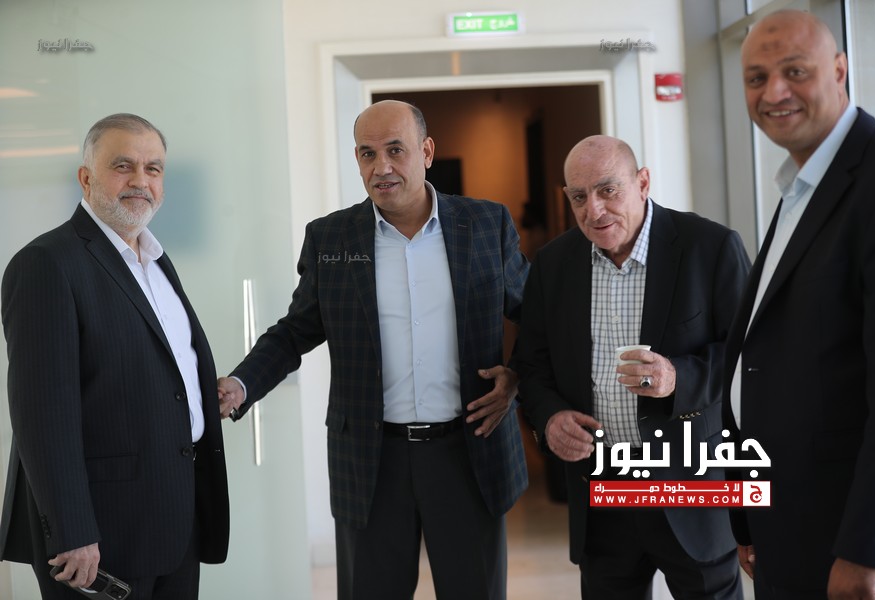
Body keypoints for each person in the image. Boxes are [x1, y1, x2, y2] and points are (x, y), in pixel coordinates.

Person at [218, 100, 529, 600]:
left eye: (395, 150)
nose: (381, 166)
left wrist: (516, 377)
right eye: (367, 153)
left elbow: (536, 316)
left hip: (469, 451)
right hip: (371, 459)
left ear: (427, 152)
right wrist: (241, 383)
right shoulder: (331, 237)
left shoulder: (485, 225)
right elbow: (295, 331)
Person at [0, 113, 229, 599]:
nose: (141, 180)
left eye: (153, 168)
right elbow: (41, 414)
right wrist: (72, 530)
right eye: (123, 166)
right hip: (99, 536)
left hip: (176, 519)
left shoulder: (156, 261)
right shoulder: (46, 263)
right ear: (86, 178)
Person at [515, 134, 750, 599]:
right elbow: (530, 365)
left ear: (642, 182)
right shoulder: (552, 265)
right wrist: (550, 418)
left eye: (608, 190)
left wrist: (679, 378)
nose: (594, 210)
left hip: (691, 486)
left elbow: (751, 357)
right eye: (579, 197)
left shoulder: (710, 246)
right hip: (602, 490)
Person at [724, 9, 875, 599]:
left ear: (840, 70)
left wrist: (864, 553)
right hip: (790, 527)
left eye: (795, 71)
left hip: (850, 550)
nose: (774, 92)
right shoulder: (802, 186)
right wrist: (748, 513)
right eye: (756, 78)